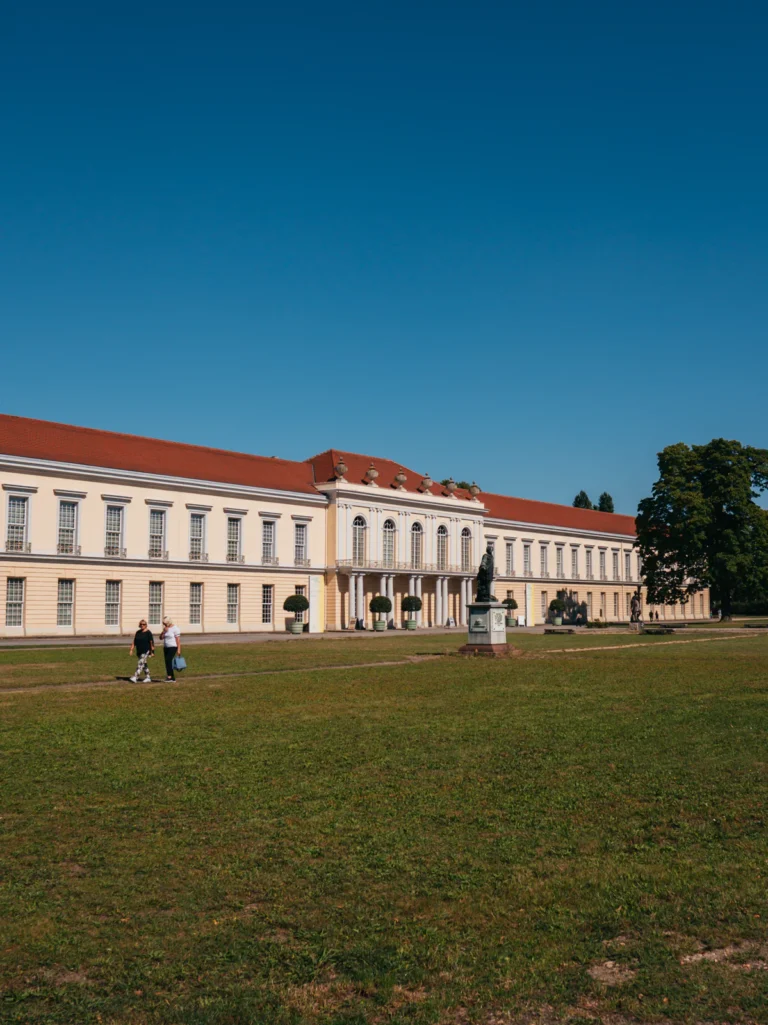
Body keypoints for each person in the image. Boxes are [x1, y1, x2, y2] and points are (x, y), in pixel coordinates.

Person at [160, 616, 181, 681]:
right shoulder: (165, 629)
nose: (164, 625)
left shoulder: (175, 628)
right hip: (166, 647)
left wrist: (179, 649)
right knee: (167, 662)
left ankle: (169, 677)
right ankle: (172, 677)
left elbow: (178, 640)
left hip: (173, 647)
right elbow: (161, 638)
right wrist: (163, 631)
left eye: (165, 623)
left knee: (168, 660)